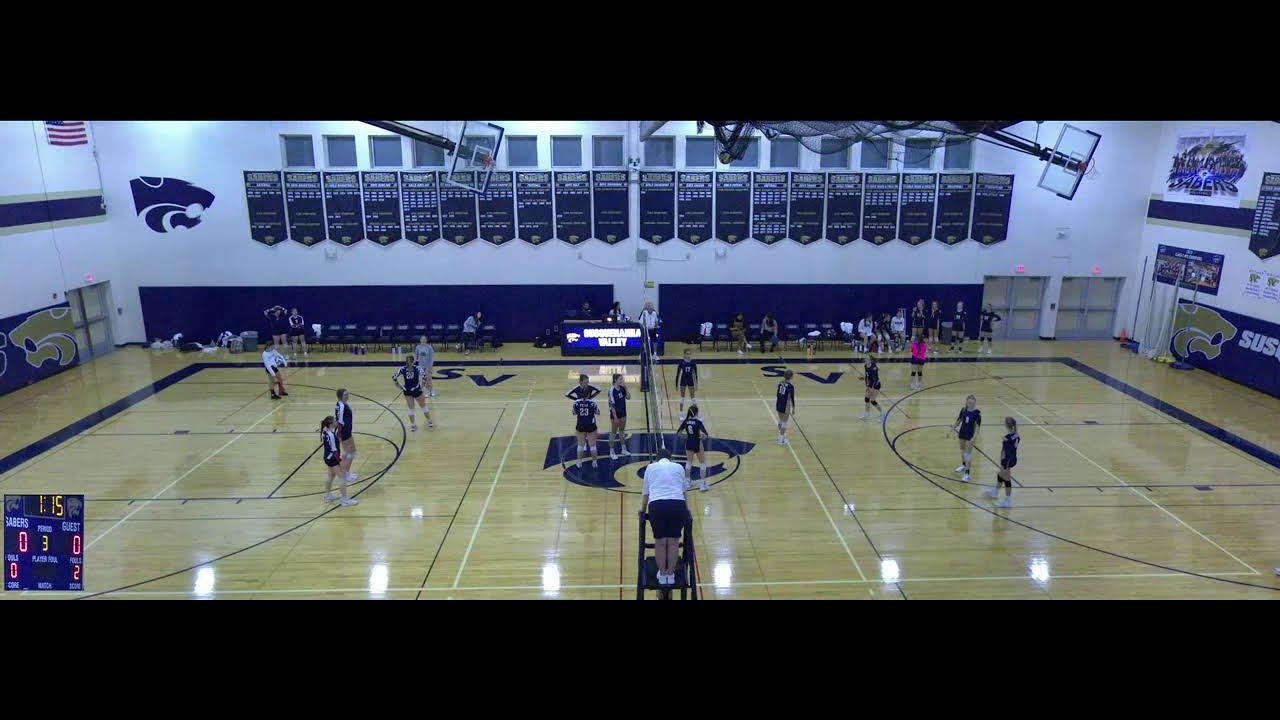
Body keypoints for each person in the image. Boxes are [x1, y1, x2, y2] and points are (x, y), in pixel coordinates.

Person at [641, 447, 689, 586]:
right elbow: (684, 492)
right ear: (670, 458)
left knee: (660, 541)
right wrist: (687, 510)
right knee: (673, 541)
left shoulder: (650, 467)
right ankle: (671, 574)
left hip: (657, 506)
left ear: (657, 458)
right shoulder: (679, 467)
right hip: (677, 504)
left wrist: (642, 511)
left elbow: (646, 494)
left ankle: (662, 574)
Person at [320, 416, 357, 506]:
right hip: (332, 458)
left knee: (330, 476)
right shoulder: (331, 436)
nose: (336, 421)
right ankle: (344, 500)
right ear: (331, 424)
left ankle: (327, 495)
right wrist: (340, 460)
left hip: (327, 457)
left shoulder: (325, 431)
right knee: (342, 478)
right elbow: (334, 451)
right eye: (335, 421)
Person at [983, 417, 1019, 508]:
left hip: (1008, 459)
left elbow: (1005, 450)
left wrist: (1003, 460)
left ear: (1006, 425)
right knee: (1000, 474)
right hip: (1012, 458)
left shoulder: (1007, 438)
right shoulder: (1016, 435)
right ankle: (995, 492)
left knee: (1006, 479)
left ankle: (1007, 501)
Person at [393, 355, 433, 431]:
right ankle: (430, 422)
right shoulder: (417, 368)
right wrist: (422, 386)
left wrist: (399, 386)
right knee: (423, 406)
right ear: (413, 361)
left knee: (411, 408)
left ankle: (413, 425)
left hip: (407, 390)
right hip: (416, 390)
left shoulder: (402, 369)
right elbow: (424, 377)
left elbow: (394, 377)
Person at [676, 405, 710, 492]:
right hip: (697, 443)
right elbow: (706, 435)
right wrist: (701, 437)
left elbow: (679, 433)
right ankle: (702, 484)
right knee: (702, 463)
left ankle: (687, 482)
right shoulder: (698, 422)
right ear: (696, 413)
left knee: (689, 462)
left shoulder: (685, 422)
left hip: (689, 443)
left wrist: (686, 436)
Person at [951, 394, 982, 483]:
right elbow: (959, 420)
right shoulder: (963, 410)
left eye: (972, 403)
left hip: (970, 436)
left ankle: (967, 474)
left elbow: (978, 428)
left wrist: (974, 438)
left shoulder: (977, 413)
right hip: (962, 433)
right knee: (962, 451)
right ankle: (963, 465)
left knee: (967, 455)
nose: (971, 404)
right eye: (969, 402)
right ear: (967, 402)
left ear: (975, 403)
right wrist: (952, 428)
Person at [572, 392, 601, 469]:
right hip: (591, 426)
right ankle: (594, 463)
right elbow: (598, 412)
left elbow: (574, 412)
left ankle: (579, 462)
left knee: (580, 445)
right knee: (593, 445)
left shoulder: (576, 403)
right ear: (588, 395)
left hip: (580, 425)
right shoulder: (592, 403)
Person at [335, 388, 357, 483]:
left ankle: (346, 472)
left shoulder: (342, 404)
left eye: (348, 394)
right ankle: (344, 474)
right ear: (340, 396)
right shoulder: (342, 406)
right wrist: (340, 436)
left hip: (348, 431)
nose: (347, 396)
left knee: (352, 452)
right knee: (348, 453)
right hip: (344, 432)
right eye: (345, 395)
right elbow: (339, 422)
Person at [607, 373, 631, 460]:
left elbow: (628, 397)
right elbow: (611, 405)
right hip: (615, 415)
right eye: (620, 379)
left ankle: (623, 449)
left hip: (623, 413)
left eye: (622, 379)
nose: (622, 381)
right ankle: (611, 451)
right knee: (613, 433)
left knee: (621, 431)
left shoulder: (622, 388)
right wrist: (615, 417)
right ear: (615, 380)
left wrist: (626, 387)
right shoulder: (611, 390)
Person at [859, 351, 883, 420]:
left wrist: (872, 388)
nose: (865, 360)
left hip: (876, 385)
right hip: (870, 384)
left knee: (872, 400)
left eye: (867, 359)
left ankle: (882, 413)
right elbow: (867, 376)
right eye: (865, 359)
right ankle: (867, 414)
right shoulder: (866, 366)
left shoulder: (873, 368)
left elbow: (875, 379)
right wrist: (866, 385)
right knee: (866, 398)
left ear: (870, 360)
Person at [775, 369, 795, 445]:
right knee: (784, 423)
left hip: (778, 403)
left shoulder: (780, 383)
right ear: (791, 377)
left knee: (780, 420)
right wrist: (793, 408)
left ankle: (781, 437)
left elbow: (777, 394)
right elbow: (791, 398)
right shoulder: (790, 386)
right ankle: (781, 439)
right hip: (785, 405)